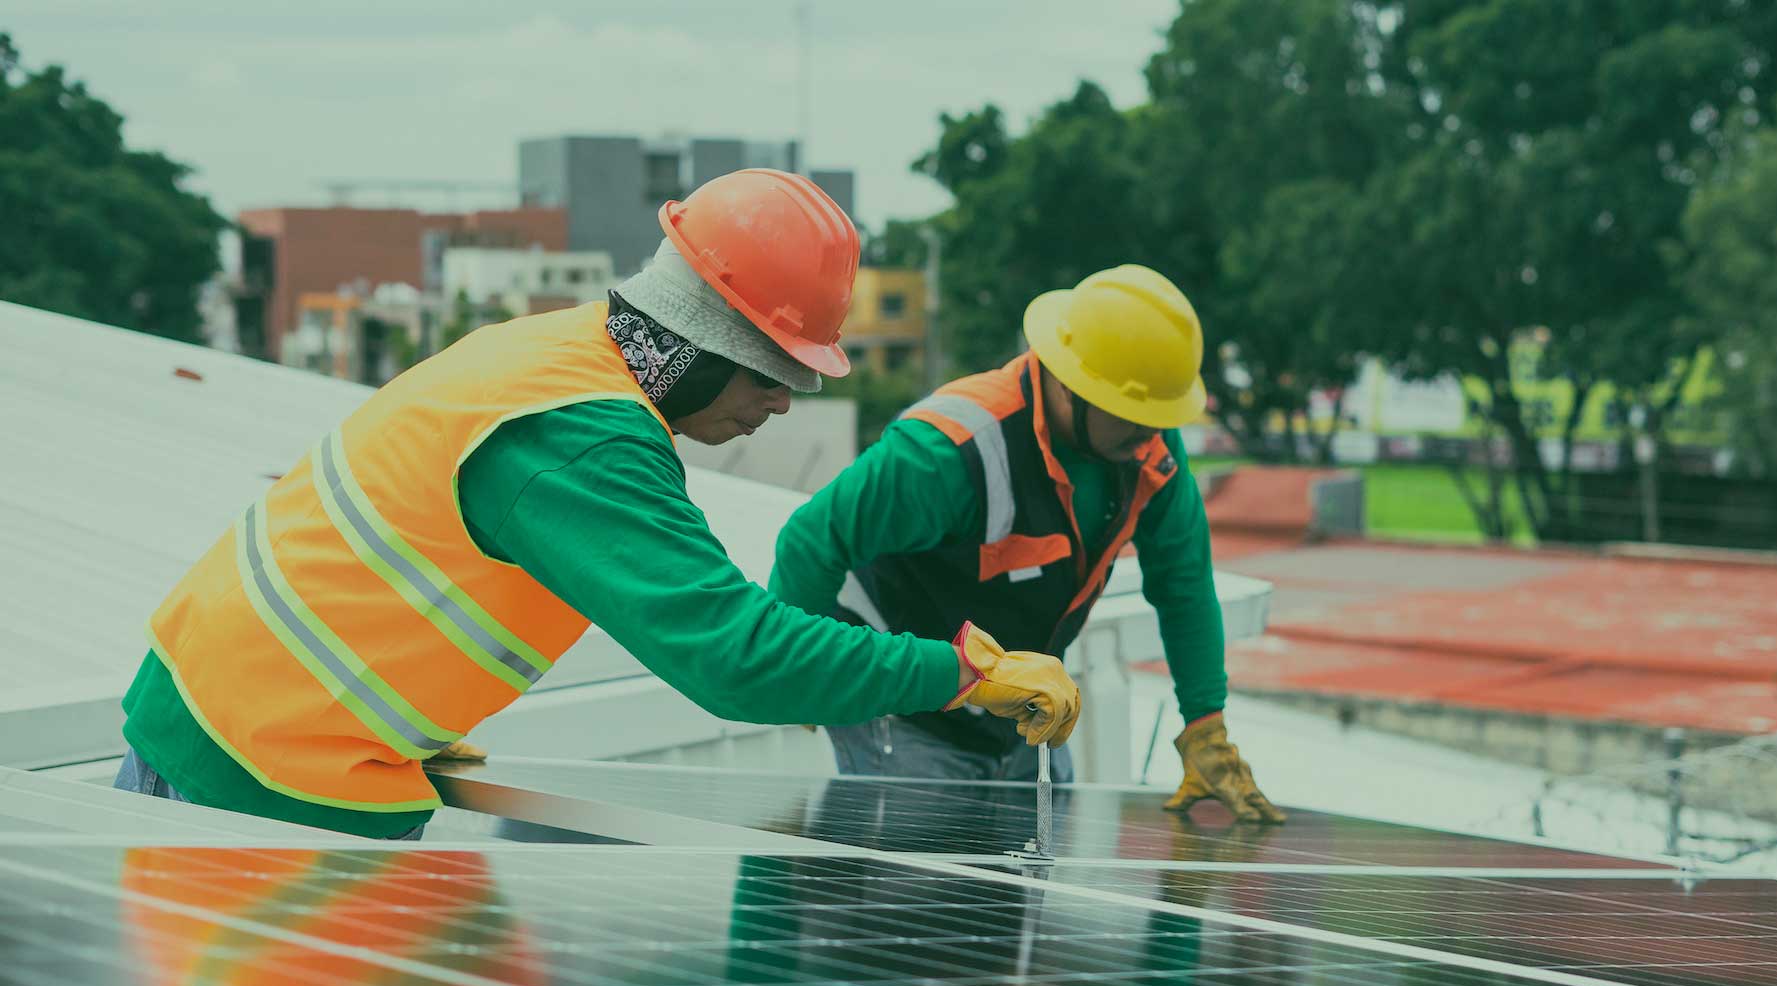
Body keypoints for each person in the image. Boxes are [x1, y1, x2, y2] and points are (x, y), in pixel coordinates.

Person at [111, 169, 1079, 839]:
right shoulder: (581, 437)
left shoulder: (553, 351)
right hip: (261, 768)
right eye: (775, 372)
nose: (782, 402)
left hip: (235, 717)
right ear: (703, 338)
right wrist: (960, 671)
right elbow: (734, 659)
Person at [769, 264, 1284, 823]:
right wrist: (805, 676)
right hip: (906, 712)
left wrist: (1205, 724)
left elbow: (1184, 586)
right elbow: (811, 540)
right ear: (1070, 384)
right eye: (1135, 415)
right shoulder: (948, 450)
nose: (1152, 434)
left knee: (1023, 892)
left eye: (1160, 417)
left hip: (1024, 714)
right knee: (922, 890)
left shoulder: (1148, 454)